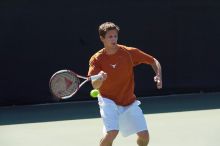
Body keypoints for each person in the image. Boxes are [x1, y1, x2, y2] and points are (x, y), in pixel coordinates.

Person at [87, 22, 162, 146]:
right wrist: (100, 78)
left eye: (115, 36)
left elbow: (153, 61)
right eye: (110, 37)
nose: (113, 39)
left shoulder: (128, 52)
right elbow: (95, 85)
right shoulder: (96, 59)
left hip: (128, 101)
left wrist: (158, 75)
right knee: (112, 133)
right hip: (108, 101)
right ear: (102, 38)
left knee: (144, 137)